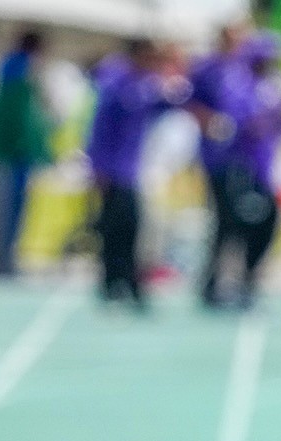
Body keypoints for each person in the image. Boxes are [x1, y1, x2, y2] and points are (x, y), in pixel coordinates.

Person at [86, 39, 191, 308]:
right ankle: (113, 283)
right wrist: (97, 168)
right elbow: (99, 129)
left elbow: (169, 103)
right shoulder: (117, 84)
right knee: (114, 229)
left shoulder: (144, 83)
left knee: (131, 228)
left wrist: (175, 74)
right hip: (113, 170)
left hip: (131, 170)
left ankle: (129, 284)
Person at [198, 31, 281, 310]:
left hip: (264, 169)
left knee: (266, 222)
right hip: (237, 170)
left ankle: (248, 277)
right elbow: (242, 123)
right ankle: (213, 283)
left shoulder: (275, 85)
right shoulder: (238, 84)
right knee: (229, 225)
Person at [0, 30, 53, 279]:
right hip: (2, 154)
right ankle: (3, 264)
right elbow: (24, 120)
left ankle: (2, 262)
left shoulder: (0, 68)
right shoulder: (19, 73)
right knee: (2, 213)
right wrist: (43, 153)